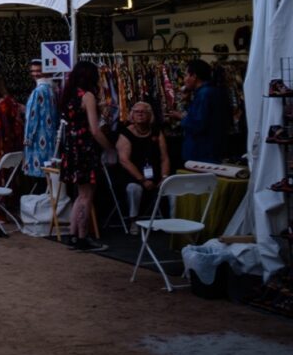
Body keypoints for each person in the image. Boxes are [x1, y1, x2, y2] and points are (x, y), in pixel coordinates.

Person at [59, 60, 113, 252]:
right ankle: (82, 237)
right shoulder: (87, 96)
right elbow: (95, 130)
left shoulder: (68, 95)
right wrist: (109, 148)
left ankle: (74, 236)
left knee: (79, 195)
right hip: (85, 148)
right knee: (86, 195)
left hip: (71, 147)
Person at [116, 101, 171, 234]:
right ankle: (133, 220)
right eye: (137, 112)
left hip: (155, 174)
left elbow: (164, 157)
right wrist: (142, 180)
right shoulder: (125, 133)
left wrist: (164, 177)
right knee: (134, 188)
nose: (140, 114)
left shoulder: (157, 132)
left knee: (173, 186)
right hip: (133, 176)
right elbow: (124, 161)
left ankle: (173, 221)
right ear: (132, 115)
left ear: (150, 115)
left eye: (143, 112)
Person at [172, 58, 229, 164]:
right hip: (213, 150)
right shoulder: (214, 91)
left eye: (186, 75)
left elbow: (198, 124)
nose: (184, 79)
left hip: (202, 152)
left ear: (194, 76)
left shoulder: (204, 94)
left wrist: (181, 117)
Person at [23, 59, 59, 186]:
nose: (35, 74)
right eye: (33, 71)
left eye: (38, 70)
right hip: (50, 139)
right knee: (49, 177)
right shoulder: (52, 90)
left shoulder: (38, 91)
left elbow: (32, 118)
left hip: (39, 140)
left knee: (41, 178)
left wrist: (28, 138)